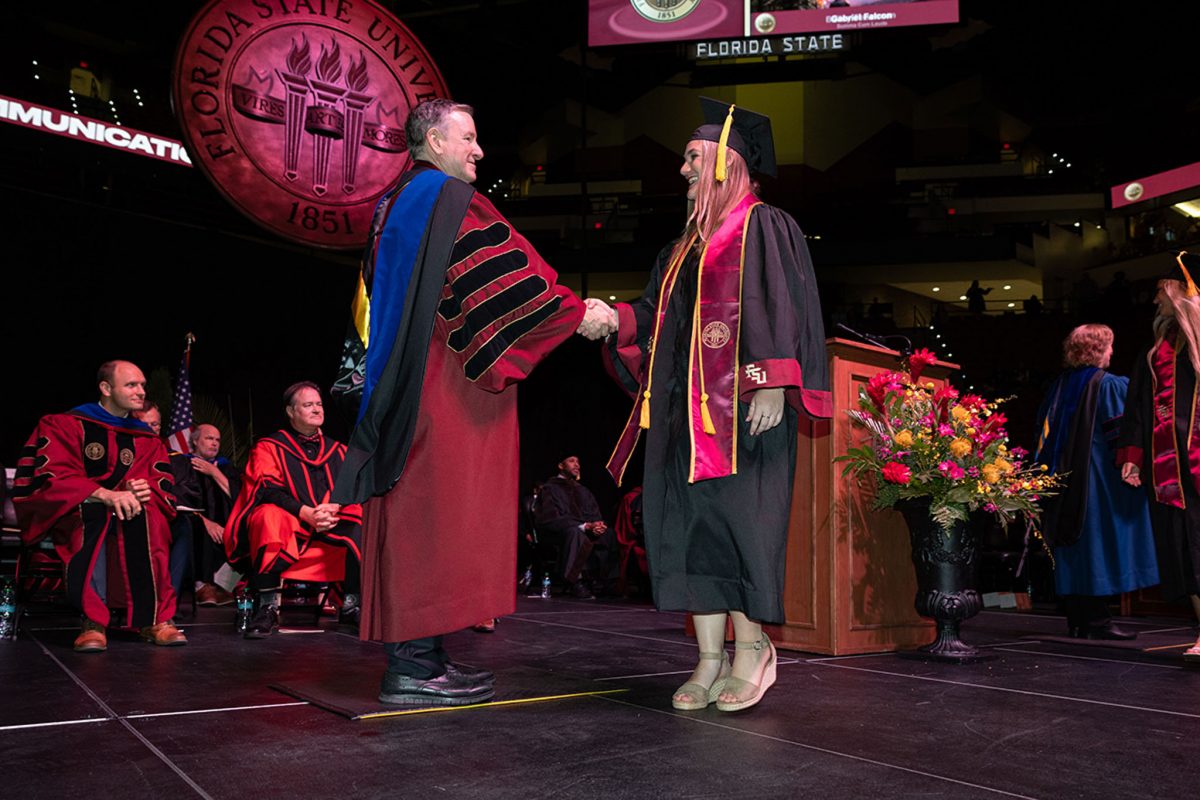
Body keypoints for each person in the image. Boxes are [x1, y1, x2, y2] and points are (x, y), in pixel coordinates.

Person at [332, 98, 607, 707]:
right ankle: (410, 668)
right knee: (432, 515)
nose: (479, 151)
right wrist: (574, 311)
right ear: (433, 139)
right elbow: (505, 282)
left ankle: (423, 656)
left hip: (403, 383)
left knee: (416, 513)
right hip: (441, 387)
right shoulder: (447, 200)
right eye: (470, 139)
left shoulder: (392, 205)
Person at [593, 98, 830, 711]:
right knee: (690, 532)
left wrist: (775, 380)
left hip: (745, 408)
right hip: (683, 416)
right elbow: (652, 321)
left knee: (739, 527)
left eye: (693, 158)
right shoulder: (679, 250)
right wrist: (610, 318)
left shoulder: (764, 226)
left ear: (727, 164)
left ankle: (754, 652)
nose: (683, 170)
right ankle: (707, 658)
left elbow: (784, 305)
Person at [12, 360, 187, 651]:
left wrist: (144, 488)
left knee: (149, 516)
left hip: (128, 509)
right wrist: (104, 494)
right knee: (97, 514)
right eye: (131, 385)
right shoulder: (64, 425)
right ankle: (93, 621)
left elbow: (160, 483)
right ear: (106, 388)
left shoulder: (145, 438)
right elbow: (53, 476)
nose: (141, 391)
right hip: (77, 507)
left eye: (142, 385)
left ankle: (155, 619)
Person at [1034, 325, 1158, 639]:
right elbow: (1124, 435)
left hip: (1061, 480)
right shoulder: (1109, 386)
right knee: (1099, 546)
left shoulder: (1058, 386)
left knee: (1076, 547)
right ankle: (1098, 620)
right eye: (1110, 346)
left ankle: (1079, 618)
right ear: (1099, 350)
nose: (1112, 352)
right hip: (1097, 480)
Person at [224, 382, 363, 638]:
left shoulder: (339, 450)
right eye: (308, 405)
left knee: (360, 519)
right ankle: (267, 608)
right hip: (293, 522)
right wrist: (306, 513)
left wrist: (334, 507)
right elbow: (266, 489)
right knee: (267, 515)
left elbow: (352, 488)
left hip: (329, 523)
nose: (316, 409)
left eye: (319, 404)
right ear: (291, 411)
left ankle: (351, 606)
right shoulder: (270, 447)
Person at [1117, 255, 1200, 662]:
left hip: (1198, 462)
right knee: (1183, 548)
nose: (1155, 301)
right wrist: (1133, 457)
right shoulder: (1156, 351)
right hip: (1170, 467)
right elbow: (1137, 408)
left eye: (1159, 291)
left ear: (1178, 289)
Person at [169, 423, 239, 606]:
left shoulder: (225, 467)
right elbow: (179, 501)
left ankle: (224, 586)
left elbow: (240, 497)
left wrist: (214, 472)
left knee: (243, 533)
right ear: (195, 441)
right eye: (209, 438)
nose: (214, 443)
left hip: (226, 524)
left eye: (217, 440)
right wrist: (206, 522)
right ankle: (202, 585)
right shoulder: (184, 465)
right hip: (197, 520)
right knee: (199, 529)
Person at [534, 455, 614, 599]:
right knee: (576, 533)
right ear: (560, 465)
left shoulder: (583, 490)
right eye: (572, 461)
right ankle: (576, 581)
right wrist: (583, 526)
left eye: (578, 461)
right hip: (557, 532)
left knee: (609, 534)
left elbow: (594, 513)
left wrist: (597, 525)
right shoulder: (549, 489)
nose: (577, 465)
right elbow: (550, 518)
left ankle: (605, 582)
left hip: (583, 529)